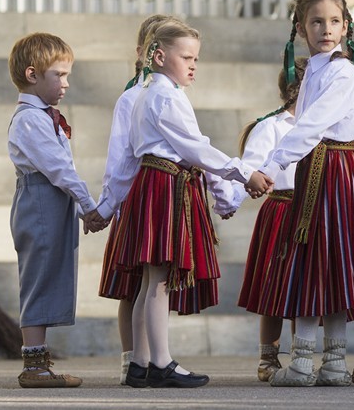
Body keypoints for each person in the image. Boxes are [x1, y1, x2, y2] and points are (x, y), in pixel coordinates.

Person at [95, 19, 273, 388]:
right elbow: (196, 149)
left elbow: (136, 157)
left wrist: (108, 205)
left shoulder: (148, 94)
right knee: (158, 278)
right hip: (163, 184)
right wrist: (243, 174)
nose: (194, 65)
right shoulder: (164, 96)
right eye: (187, 57)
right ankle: (160, 362)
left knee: (150, 281)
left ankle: (141, 363)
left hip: (155, 182)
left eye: (196, 58)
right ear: (158, 56)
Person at [257, 0, 354, 387]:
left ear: (346, 26)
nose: (327, 28)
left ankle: (315, 363)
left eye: (335, 21)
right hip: (319, 166)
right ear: (301, 28)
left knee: (322, 260)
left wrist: (274, 163)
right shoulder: (316, 69)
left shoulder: (341, 70)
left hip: (334, 168)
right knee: (322, 262)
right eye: (317, 21)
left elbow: (310, 125)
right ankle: (328, 363)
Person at [7, 32, 107, 388]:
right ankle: (33, 366)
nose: (66, 83)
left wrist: (82, 209)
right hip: (40, 202)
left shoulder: (45, 116)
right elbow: (60, 170)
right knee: (40, 278)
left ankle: (40, 361)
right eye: (59, 75)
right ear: (33, 75)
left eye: (67, 74)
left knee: (49, 276)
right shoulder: (30, 120)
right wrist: (90, 206)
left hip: (52, 200)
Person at [97, 13, 172, 385]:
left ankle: (148, 358)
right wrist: (109, 203)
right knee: (134, 282)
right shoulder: (132, 97)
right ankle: (133, 359)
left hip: (162, 195)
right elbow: (119, 156)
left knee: (151, 279)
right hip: (137, 195)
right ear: (144, 51)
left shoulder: (169, 94)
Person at [236, 57, 307, 382]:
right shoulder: (273, 127)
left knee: (302, 286)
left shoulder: (320, 127)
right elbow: (252, 165)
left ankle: (301, 356)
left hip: (309, 210)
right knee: (275, 286)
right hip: (281, 209)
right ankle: (268, 356)